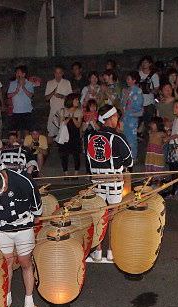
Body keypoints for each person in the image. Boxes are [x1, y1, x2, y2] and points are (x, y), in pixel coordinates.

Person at [0, 170, 42, 307]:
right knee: (6, 262)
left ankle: (29, 299)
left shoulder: (25, 183)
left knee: (25, 262)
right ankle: (7, 294)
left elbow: (37, 215)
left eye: (3, 192)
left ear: (5, 182)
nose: (1, 197)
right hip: (2, 228)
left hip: (23, 226)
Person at [83, 104, 133, 262]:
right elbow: (129, 161)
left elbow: (88, 159)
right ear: (111, 119)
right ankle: (110, 251)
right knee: (113, 215)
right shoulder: (118, 138)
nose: (117, 119)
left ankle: (97, 251)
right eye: (116, 117)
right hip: (114, 183)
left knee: (99, 216)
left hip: (96, 182)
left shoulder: (89, 136)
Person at [56, 93, 82, 177]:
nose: (78, 101)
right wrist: (69, 118)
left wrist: (73, 117)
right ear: (71, 101)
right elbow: (61, 124)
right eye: (76, 100)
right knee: (64, 154)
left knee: (76, 154)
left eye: (78, 100)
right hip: (65, 136)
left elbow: (78, 125)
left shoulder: (79, 111)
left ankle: (76, 174)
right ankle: (66, 173)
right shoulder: (62, 111)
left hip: (75, 135)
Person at [121, 71, 144, 160]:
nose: (127, 80)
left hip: (132, 117)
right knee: (124, 137)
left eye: (129, 79)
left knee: (132, 138)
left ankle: (133, 157)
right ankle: (126, 156)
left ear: (134, 80)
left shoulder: (138, 91)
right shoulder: (125, 90)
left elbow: (138, 106)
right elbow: (122, 103)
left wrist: (128, 99)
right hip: (124, 117)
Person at [7, 65, 35, 138]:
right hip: (16, 111)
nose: (17, 74)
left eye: (19, 73)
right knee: (17, 131)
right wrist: (16, 90)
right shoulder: (12, 83)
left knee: (27, 131)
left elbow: (31, 95)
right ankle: (18, 148)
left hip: (27, 111)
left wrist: (23, 87)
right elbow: (8, 95)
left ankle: (27, 147)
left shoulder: (29, 83)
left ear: (24, 74)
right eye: (16, 73)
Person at [44, 66, 72, 138]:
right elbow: (46, 98)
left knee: (64, 134)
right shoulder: (49, 83)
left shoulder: (67, 82)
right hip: (53, 112)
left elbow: (71, 98)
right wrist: (53, 92)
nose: (58, 75)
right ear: (54, 73)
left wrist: (62, 96)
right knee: (51, 133)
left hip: (64, 112)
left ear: (62, 73)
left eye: (59, 73)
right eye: (56, 73)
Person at [138, 56, 159, 131]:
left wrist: (148, 90)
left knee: (148, 122)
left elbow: (157, 89)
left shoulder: (154, 75)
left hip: (149, 102)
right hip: (139, 102)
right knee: (138, 122)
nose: (144, 64)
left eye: (146, 62)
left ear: (150, 64)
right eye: (143, 62)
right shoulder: (138, 74)